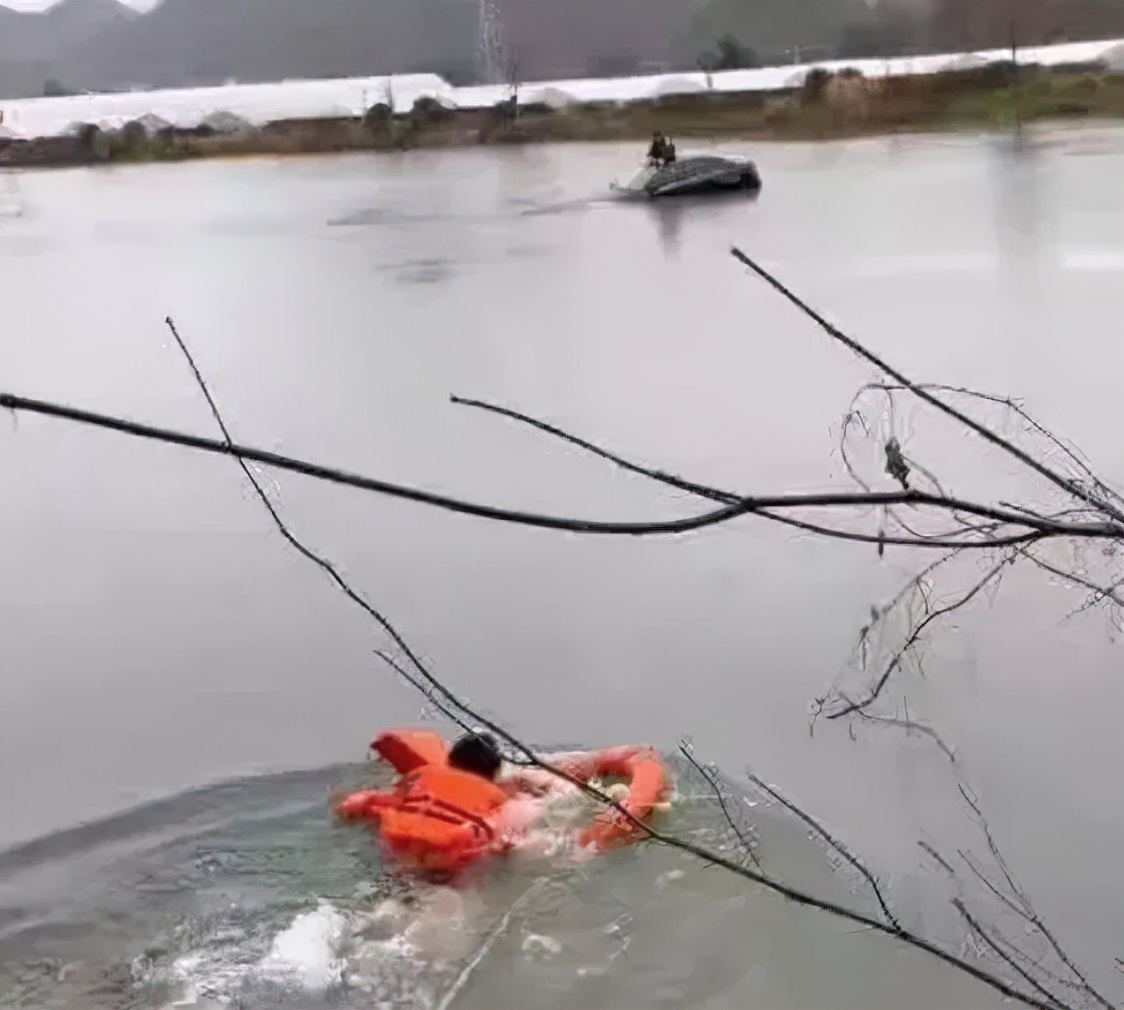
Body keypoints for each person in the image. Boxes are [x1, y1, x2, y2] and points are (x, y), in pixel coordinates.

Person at [333, 728, 671, 882]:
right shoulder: (524, 787)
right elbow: (568, 796)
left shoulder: (422, 785)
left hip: (402, 853)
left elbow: (362, 806)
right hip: (469, 855)